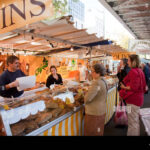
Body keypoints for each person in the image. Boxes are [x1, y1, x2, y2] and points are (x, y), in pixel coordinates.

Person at [119, 54, 146, 136]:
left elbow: (134, 87)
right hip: (137, 99)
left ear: (133, 61)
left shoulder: (134, 71)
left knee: (132, 123)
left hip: (132, 100)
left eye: (129, 60)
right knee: (134, 121)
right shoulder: (139, 70)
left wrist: (124, 87)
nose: (127, 62)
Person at [84, 63, 108, 136]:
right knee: (98, 131)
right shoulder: (103, 80)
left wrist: (86, 94)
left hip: (94, 113)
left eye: (92, 71)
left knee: (91, 132)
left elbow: (87, 99)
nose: (91, 73)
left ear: (98, 72)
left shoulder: (97, 83)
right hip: (101, 111)